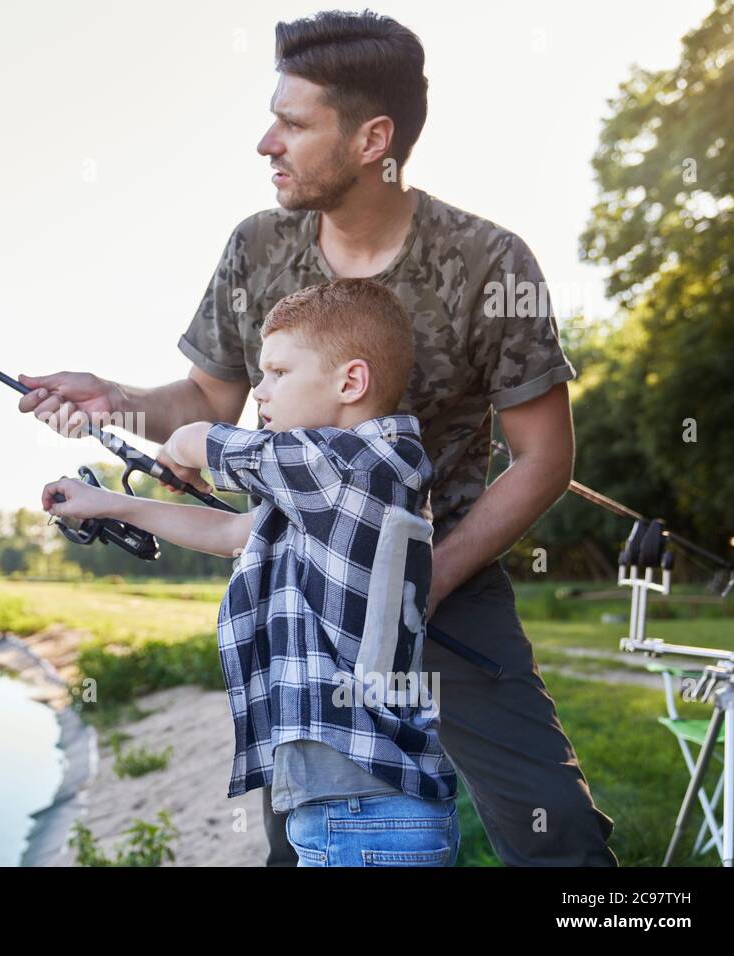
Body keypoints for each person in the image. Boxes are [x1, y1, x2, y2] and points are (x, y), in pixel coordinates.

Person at [20, 10, 617, 866]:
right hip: (304, 591)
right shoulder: (256, 246)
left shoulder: (492, 261)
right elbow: (206, 403)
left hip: (454, 583)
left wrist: (426, 580)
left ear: (374, 138)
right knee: (307, 834)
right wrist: (111, 398)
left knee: (557, 831)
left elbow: (545, 458)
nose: (267, 142)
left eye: (294, 123)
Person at [43, 279, 460, 866]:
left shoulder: (353, 465)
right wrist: (108, 504)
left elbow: (200, 438)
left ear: (351, 382)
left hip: (365, 815)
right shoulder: (326, 481)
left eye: (278, 373)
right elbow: (234, 534)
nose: (259, 393)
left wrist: (183, 452)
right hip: (345, 808)